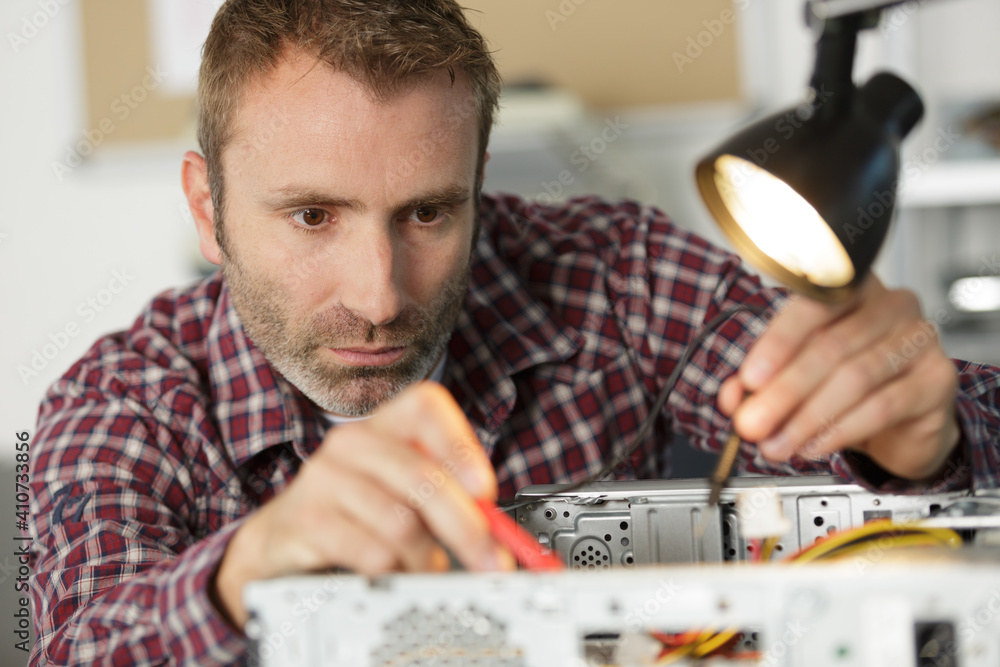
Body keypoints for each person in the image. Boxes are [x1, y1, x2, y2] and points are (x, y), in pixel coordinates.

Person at [27, 1, 1000, 665]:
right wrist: (246, 575)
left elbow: (927, 419)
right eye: (312, 217)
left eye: (427, 214)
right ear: (209, 205)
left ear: (480, 177)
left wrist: (929, 441)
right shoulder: (123, 404)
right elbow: (78, 647)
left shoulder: (607, 275)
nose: (377, 296)